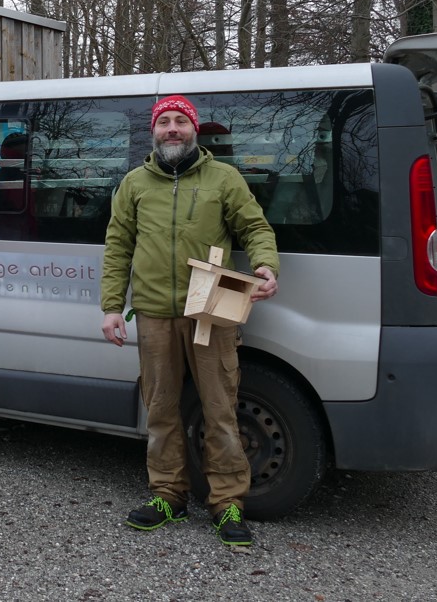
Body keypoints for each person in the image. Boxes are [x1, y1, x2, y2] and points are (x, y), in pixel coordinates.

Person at [100, 95, 279, 547]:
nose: (173, 129)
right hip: (155, 312)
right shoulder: (135, 183)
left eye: (181, 121)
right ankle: (168, 495)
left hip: (212, 308)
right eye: (165, 122)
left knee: (220, 410)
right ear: (153, 131)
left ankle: (228, 502)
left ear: (194, 130)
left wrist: (265, 264)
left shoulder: (224, 178)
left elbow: (254, 227)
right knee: (160, 409)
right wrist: (111, 307)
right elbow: (118, 246)